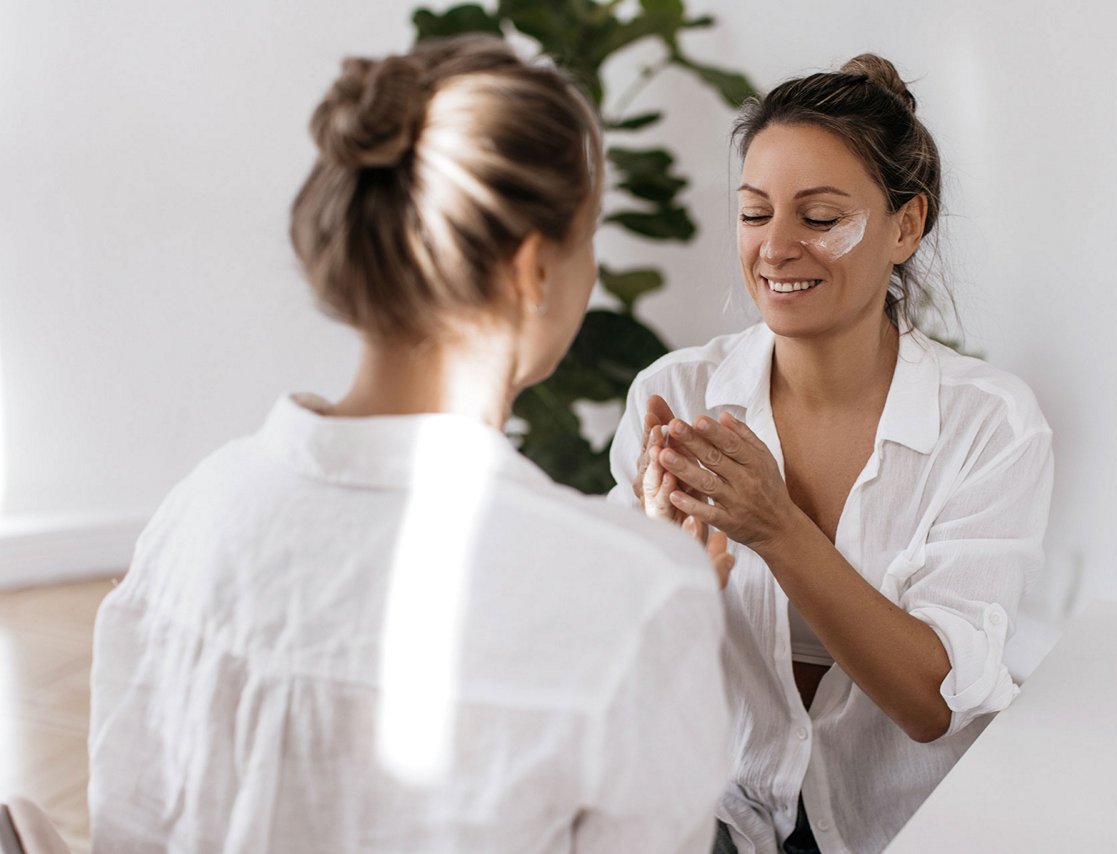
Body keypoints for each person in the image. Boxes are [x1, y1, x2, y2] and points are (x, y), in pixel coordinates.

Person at [89, 35, 733, 854]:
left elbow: (126, 826)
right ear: (533, 268)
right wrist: (654, 608)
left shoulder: (195, 513)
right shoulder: (638, 595)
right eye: (590, 234)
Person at [610, 54, 1053, 853]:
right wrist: (665, 578)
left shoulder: (991, 424)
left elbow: (931, 706)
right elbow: (617, 667)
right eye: (754, 213)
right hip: (724, 811)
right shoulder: (678, 393)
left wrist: (777, 528)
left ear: (905, 226)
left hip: (914, 822)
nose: (775, 249)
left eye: (818, 220)